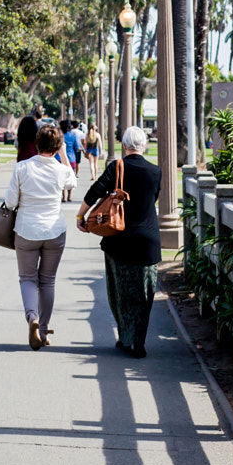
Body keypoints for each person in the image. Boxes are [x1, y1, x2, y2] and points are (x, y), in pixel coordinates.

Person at [80, 126, 162, 358]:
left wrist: (81, 216)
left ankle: (126, 337)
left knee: (120, 293)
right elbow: (152, 199)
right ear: (144, 145)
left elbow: (94, 191)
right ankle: (138, 340)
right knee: (144, 295)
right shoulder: (156, 171)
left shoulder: (118, 167)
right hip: (147, 242)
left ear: (125, 146)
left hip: (118, 240)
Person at [3, 122, 76, 349]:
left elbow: (10, 202)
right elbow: (72, 181)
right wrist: (63, 155)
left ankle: (32, 318)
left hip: (26, 230)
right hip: (54, 231)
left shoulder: (23, 168)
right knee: (48, 281)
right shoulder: (61, 169)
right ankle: (43, 330)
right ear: (57, 146)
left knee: (27, 278)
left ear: (36, 144)